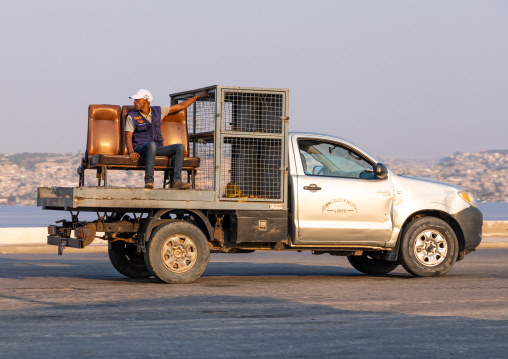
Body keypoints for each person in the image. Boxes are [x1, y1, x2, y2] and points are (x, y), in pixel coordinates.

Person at [125, 89, 208, 189]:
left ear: (146, 101)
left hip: (156, 147)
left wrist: (196, 97)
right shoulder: (132, 116)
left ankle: (177, 181)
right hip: (141, 148)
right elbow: (128, 135)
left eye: (137, 100)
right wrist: (131, 151)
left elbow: (179, 106)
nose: (134, 102)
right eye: (134, 100)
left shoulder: (158, 111)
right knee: (151, 145)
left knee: (180, 147)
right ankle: (149, 180)